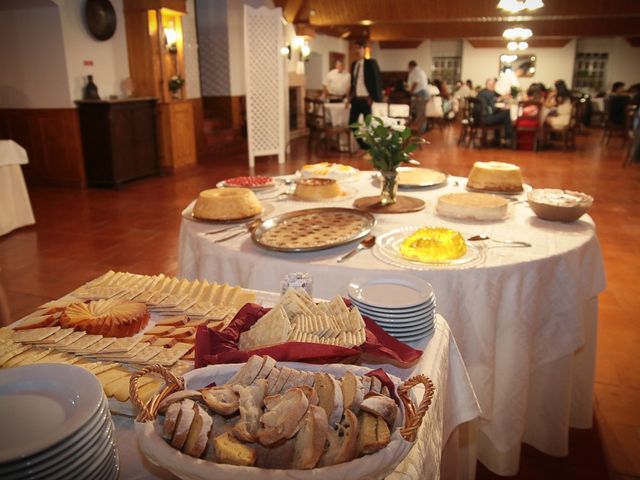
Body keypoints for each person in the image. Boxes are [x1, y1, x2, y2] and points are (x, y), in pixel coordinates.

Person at [349, 40, 383, 149]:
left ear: (364, 50)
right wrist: (350, 96)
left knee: (369, 124)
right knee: (352, 123)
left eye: (360, 49)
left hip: (366, 99)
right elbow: (353, 82)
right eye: (356, 49)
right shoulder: (354, 64)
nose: (358, 51)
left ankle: (373, 145)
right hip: (356, 99)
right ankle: (363, 145)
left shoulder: (370, 63)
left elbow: (377, 80)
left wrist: (373, 98)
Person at [475, 77, 513, 145]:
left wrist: (501, 99)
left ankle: (497, 139)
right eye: (493, 85)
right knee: (506, 113)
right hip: (484, 119)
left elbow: (496, 99)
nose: (494, 86)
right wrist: (502, 108)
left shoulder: (482, 92)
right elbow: (493, 109)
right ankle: (508, 138)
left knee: (501, 114)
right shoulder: (489, 93)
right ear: (489, 85)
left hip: (478, 119)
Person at [407, 60, 429, 132]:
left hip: (421, 93)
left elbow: (415, 82)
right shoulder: (420, 71)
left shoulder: (416, 71)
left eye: (408, 67)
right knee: (421, 112)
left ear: (411, 66)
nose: (408, 69)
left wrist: (411, 91)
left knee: (420, 112)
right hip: (422, 92)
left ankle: (421, 129)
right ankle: (421, 128)